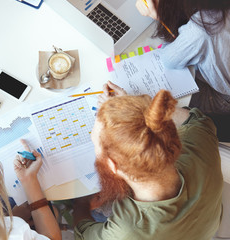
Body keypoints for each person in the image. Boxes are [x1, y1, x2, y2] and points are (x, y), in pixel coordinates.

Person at [73, 81, 223, 239]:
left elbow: (82, 236)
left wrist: (82, 205)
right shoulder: (201, 145)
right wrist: (137, 111)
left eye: (96, 145)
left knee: (97, 212)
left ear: (112, 165)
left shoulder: (126, 231)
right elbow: (196, 119)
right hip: (203, 226)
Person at [135, 0, 230, 141]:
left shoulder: (201, 28)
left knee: (163, 105)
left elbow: (169, 59)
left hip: (223, 99)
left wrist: (160, 17)